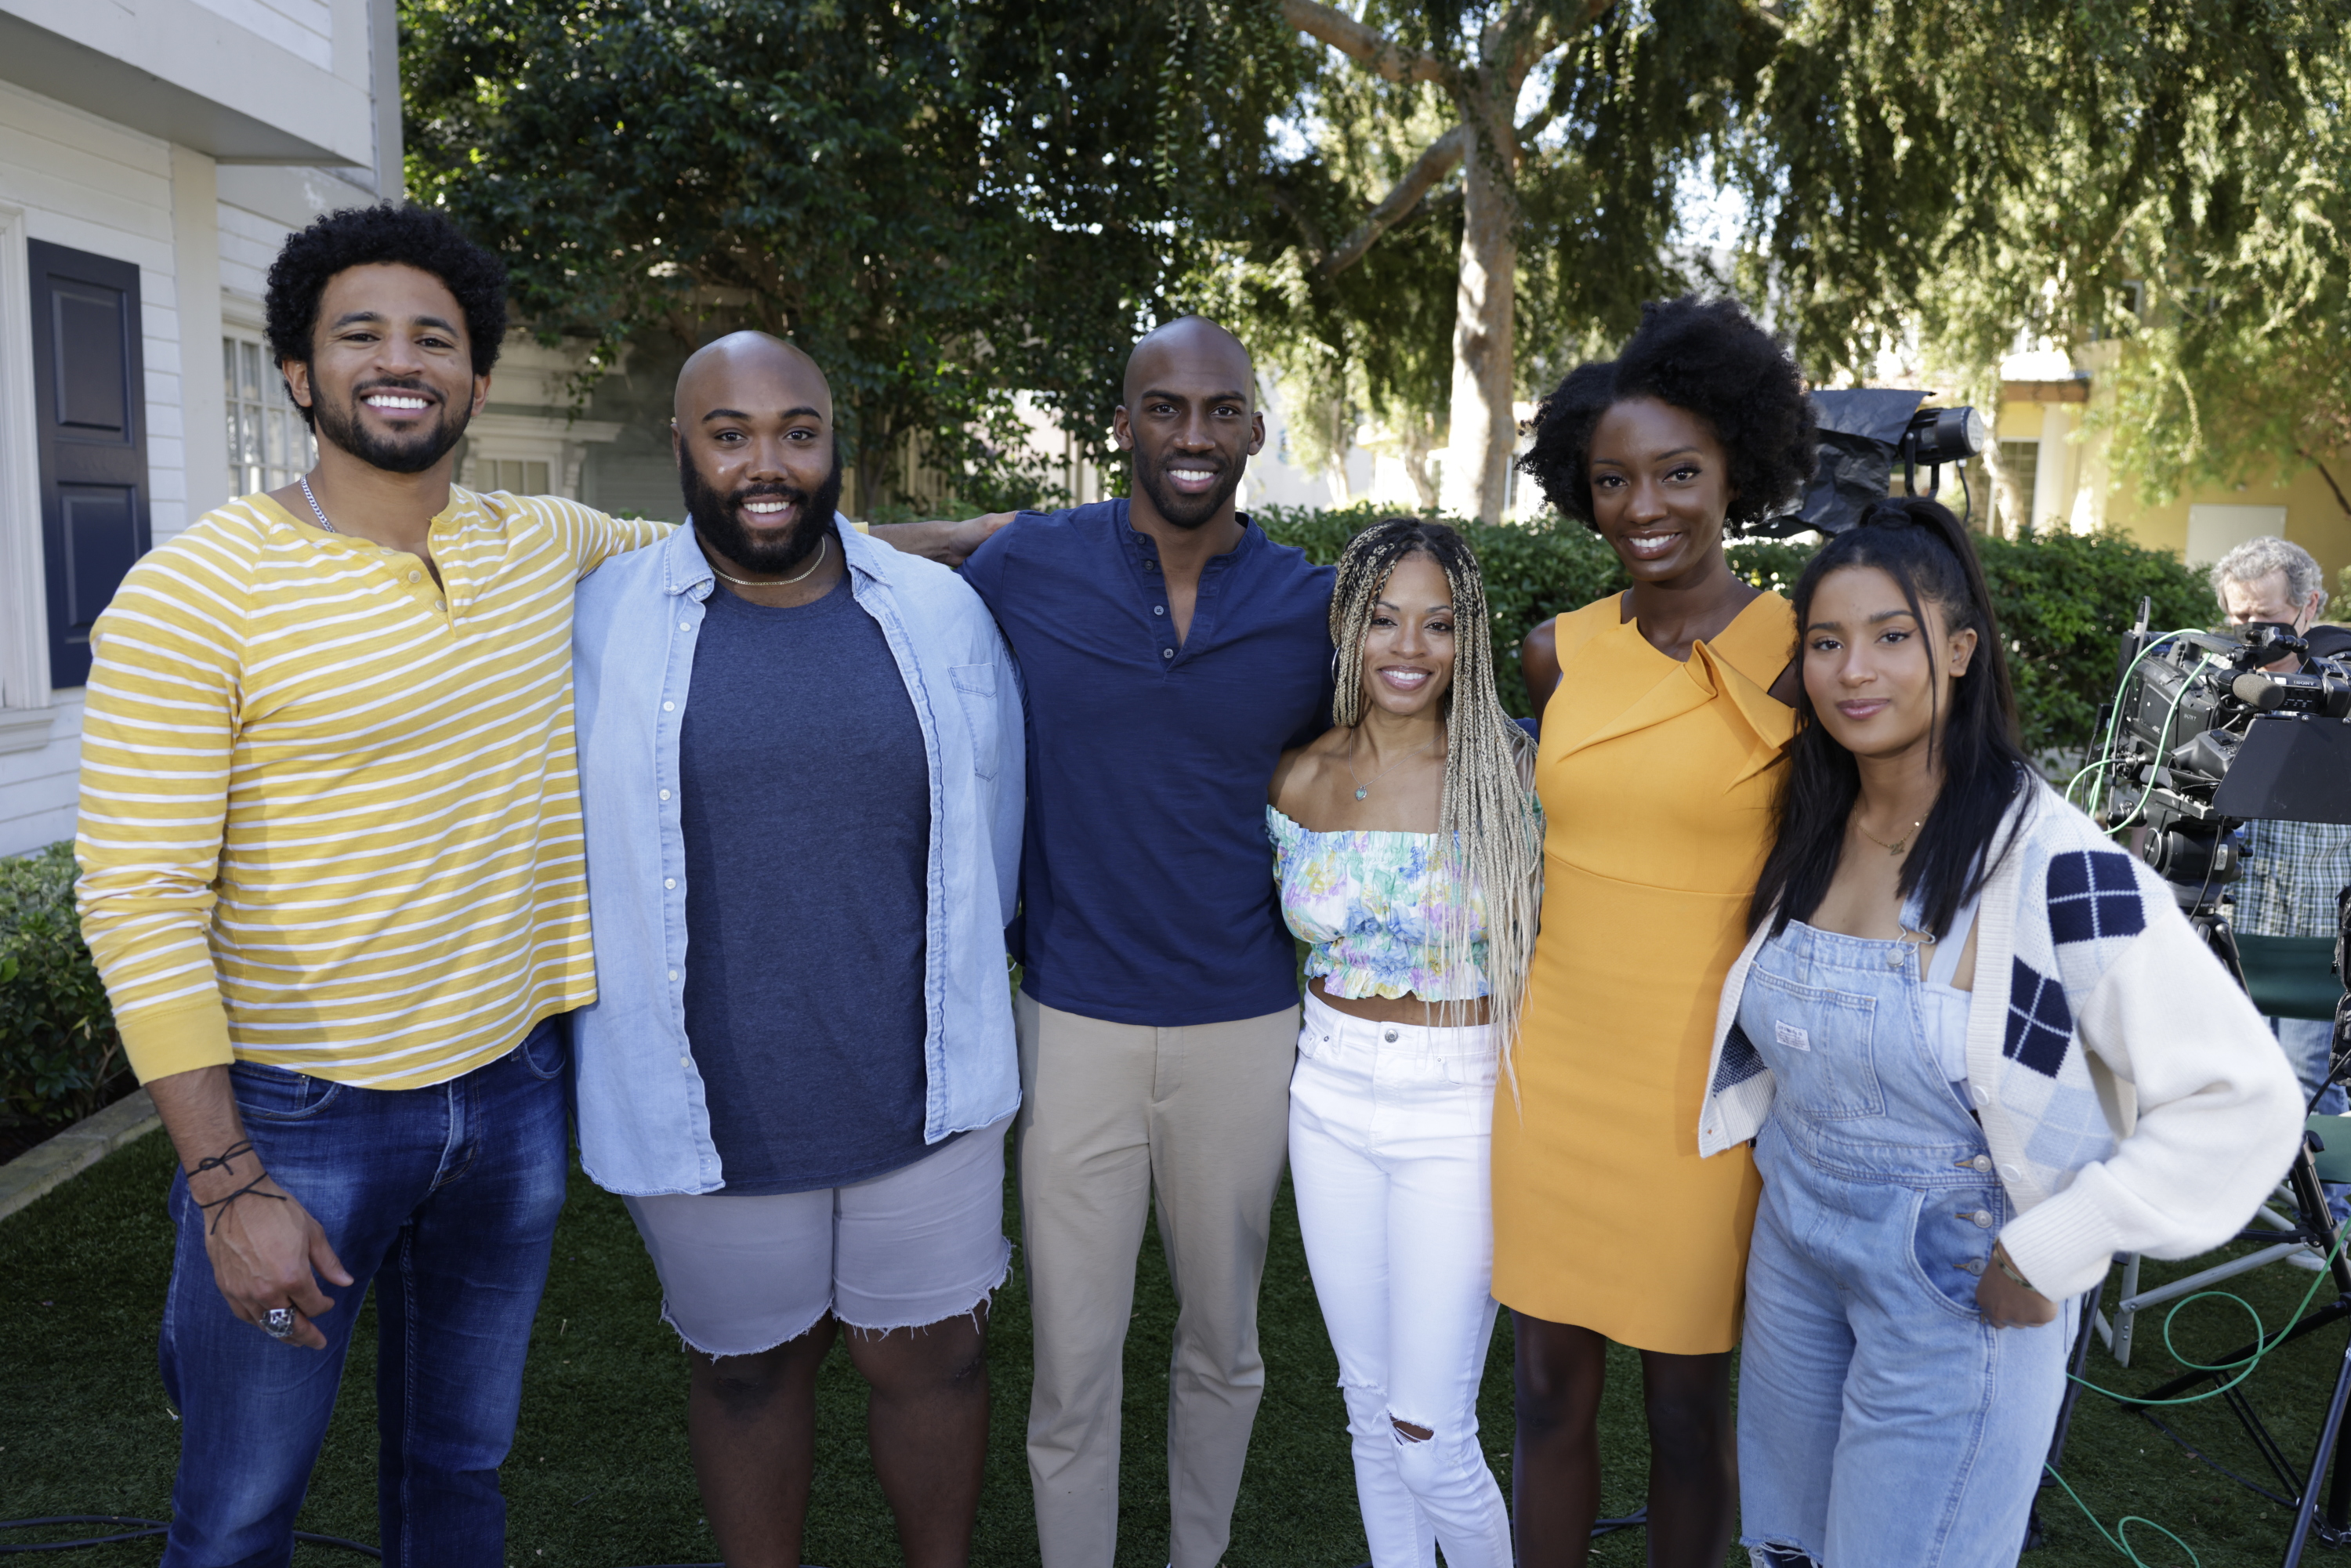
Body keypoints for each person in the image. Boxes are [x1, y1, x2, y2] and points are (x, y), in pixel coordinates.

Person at [72, 205, 666, 1564]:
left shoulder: (539, 542)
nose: (400, 360)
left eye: (434, 337)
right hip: (296, 1120)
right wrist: (227, 1184)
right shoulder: (194, 592)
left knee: (459, 1471)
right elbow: (138, 897)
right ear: (300, 373)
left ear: (474, 376)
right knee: (237, 1512)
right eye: (360, 335)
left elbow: (731, 546)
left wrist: (987, 537)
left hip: (512, 1096)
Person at [1706, 497, 2302, 1566]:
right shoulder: (1805, 829)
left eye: (1894, 637)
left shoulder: (2060, 867)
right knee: (1785, 1549)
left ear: (1964, 649)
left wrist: (2058, 1247)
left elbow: (2245, 1095)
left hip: (1957, 1279)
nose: (1855, 671)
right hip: (1793, 1249)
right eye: (1828, 642)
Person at [569, 332, 1023, 1568]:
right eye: (729, 435)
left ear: (835, 444)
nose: (765, 463)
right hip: (703, 1096)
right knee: (750, 1372)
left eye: (797, 432)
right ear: (681, 446)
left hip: (922, 1076)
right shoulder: (598, 618)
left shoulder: (936, 610)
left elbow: (997, 818)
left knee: (931, 1357)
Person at [957, 316, 1335, 1568]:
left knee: (1224, 1338)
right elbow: (880, 567)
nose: (1192, 433)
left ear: (1252, 434)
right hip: (1070, 1021)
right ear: (1121, 424)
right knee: (1072, 1349)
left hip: (1245, 1022)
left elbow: (1420, 694)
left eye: (1219, 410)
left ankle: (1198, 1556)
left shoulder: (1309, 606)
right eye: (1163, 407)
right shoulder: (1032, 563)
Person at [1500, 295, 1815, 1566]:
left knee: (1688, 1412)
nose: (1647, 506)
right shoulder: (1554, 657)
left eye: (1679, 472)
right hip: (1556, 1076)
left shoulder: (1805, 655)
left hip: (1705, 1093)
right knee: (1540, 1397)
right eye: (1614, 479)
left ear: (1738, 464)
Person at [1269, 519, 1543, 1568]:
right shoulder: (1299, 776)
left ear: (1466, 639)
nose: (1409, 647)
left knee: (1432, 1437)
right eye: (1384, 618)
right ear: (1348, 626)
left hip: (1459, 1103)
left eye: (1438, 624)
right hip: (1328, 1092)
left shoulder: (1514, 778)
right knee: (1369, 1408)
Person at [2210, 538, 2351, 1130]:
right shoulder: (2209, 684)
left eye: (2264, 618)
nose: (2249, 633)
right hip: (2232, 925)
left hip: (2316, 938)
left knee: (2306, 1083)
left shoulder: (2342, 688)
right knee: (2232, 1081)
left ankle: (2320, 1218)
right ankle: (2248, 1205)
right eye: (2237, 617)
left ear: (2308, 607)